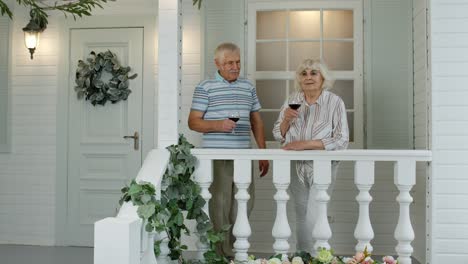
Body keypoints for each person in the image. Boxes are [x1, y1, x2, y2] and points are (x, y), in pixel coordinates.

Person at [188, 42, 269, 257]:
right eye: (229, 63)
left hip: (244, 156)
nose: (235, 66)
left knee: (244, 205)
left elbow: (257, 122)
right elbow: (193, 122)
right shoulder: (205, 87)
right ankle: (220, 255)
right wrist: (218, 125)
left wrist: (263, 153)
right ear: (217, 63)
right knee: (219, 207)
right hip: (217, 157)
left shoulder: (248, 87)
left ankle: (232, 250)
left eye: (238, 62)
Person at [272, 58, 349, 253]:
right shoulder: (292, 100)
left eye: (314, 73)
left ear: (323, 78)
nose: (308, 77)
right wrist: (285, 122)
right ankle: (303, 255)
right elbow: (276, 134)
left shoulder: (334, 102)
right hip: (295, 166)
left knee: (316, 212)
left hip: (324, 166)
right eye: (303, 73)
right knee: (300, 214)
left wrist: (304, 144)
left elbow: (341, 139)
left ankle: (318, 255)